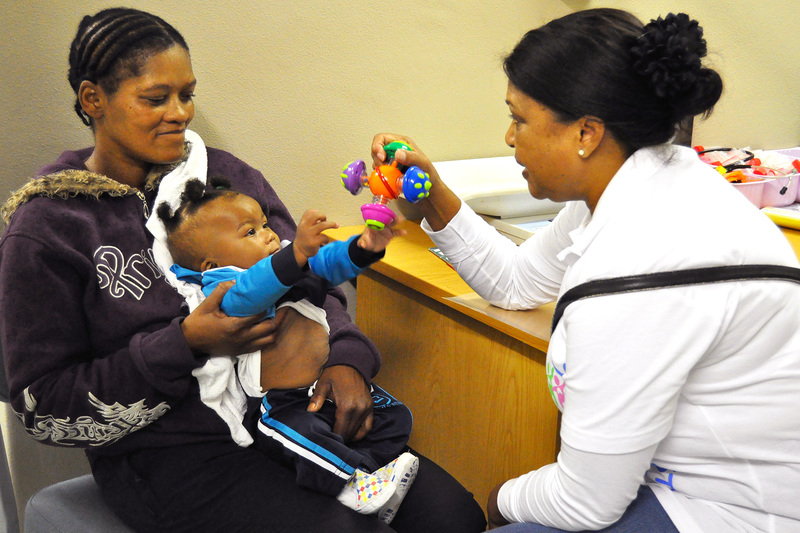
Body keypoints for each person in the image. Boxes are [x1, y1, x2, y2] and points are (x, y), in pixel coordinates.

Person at [0, 7, 487, 533]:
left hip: (295, 411)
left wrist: (345, 360)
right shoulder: (50, 225)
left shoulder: (226, 177)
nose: (180, 113)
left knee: (454, 517)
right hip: (177, 455)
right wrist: (184, 344)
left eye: (187, 94)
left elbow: (306, 280)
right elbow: (43, 404)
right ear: (93, 99)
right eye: (155, 98)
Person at [371, 8, 800, 533]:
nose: (509, 137)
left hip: (732, 512)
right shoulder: (645, 181)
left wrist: (498, 502)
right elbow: (515, 282)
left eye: (520, 118)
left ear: (587, 133)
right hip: (676, 481)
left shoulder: (635, 272)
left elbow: (584, 502)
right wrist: (433, 192)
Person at [157, 176, 419, 523]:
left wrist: (364, 247)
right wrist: (294, 254)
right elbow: (251, 291)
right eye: (250, 232)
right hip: (280, 404)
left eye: (264, 224)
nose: (267, 234)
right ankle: (351, 488)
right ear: (210, 264)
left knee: (397, 415)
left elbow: (328, 264)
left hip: (322, 386)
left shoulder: (285, 263)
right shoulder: (219, 290)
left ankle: (368, 473)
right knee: (300, 439)